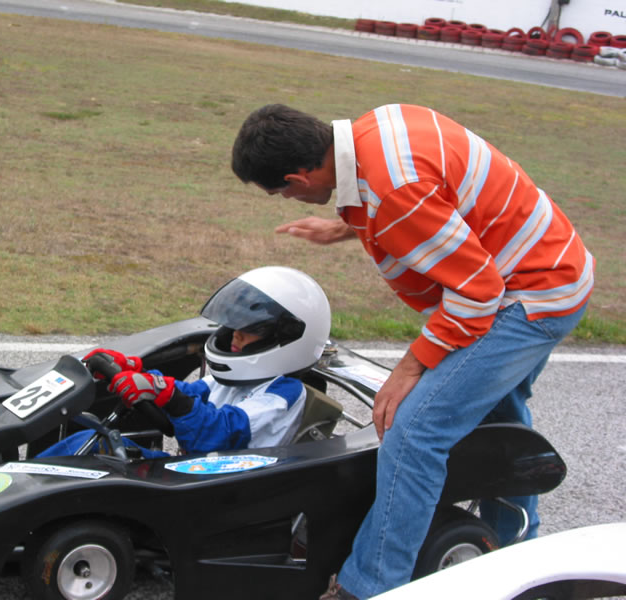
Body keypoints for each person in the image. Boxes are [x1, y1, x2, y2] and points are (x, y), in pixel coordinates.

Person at [231, 103, 594, 600]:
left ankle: (372, 587)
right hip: (551, 262)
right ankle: (516, 549)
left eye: (282, 190)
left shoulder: (394, 194)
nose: (289, 198)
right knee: (492, 418)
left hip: (530, 296)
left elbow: (477, 293)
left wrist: (409, 368)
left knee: (414, 431)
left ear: (300, 176)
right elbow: (433, 200)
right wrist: (344, 227)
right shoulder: (377, 126)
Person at [39, 265, 332, 457]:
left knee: (97, 459)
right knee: (87, 440)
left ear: (286, 338)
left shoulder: (282, 395)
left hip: (223, 490)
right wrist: (138, 374)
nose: (235, 338)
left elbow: (221, 433)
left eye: (249, 331)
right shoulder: (237, 377)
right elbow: (190, 394)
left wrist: (170, 396)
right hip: (196, 476)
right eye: (235, 327)